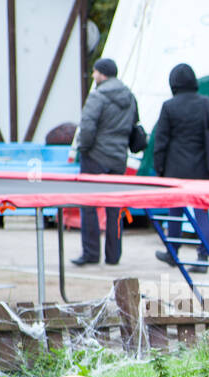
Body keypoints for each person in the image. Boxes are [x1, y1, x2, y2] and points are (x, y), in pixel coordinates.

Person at [151, 63, 209, 273]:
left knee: (175, 211)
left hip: (175, 171)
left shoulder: (169, 106)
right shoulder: (206, 104)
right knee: (201, 212)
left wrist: (159, 169)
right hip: (202, 169)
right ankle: (204, 254)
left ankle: (173, 251)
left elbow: (161, 141)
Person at [72, 58, 136, 266]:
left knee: (89, 205)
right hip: (118, 158)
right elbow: (133, 125)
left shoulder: (97, 96)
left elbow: (88, 127)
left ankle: (91, 253)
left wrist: (83, 149)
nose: (93, 76)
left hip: (95, 157)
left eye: (95, 72)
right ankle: (113, 255)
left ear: (102, 74)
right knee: (114, 207)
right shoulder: (130, 97)